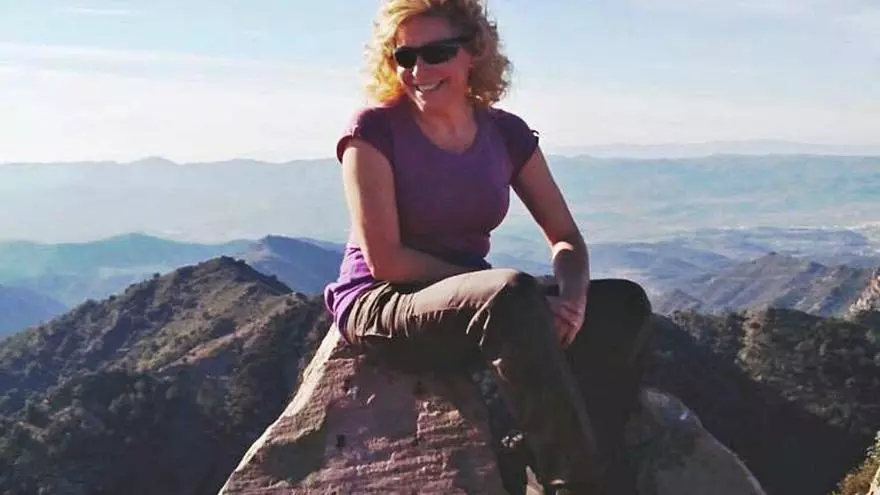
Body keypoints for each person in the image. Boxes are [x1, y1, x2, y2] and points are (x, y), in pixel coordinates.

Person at [323, 0, 653, 493]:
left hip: (475, 302)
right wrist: (512, 296)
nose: (418, 70)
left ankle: (575, 451)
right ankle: (574, 483)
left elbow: (565, 236)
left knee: (623, 304)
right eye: (404, 57)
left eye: (436, 53)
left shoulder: (504, 133)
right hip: (382, 301)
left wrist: (572, 300)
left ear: (473, 52)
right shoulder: (373, 131)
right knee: (511, 295)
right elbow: (386, 260)